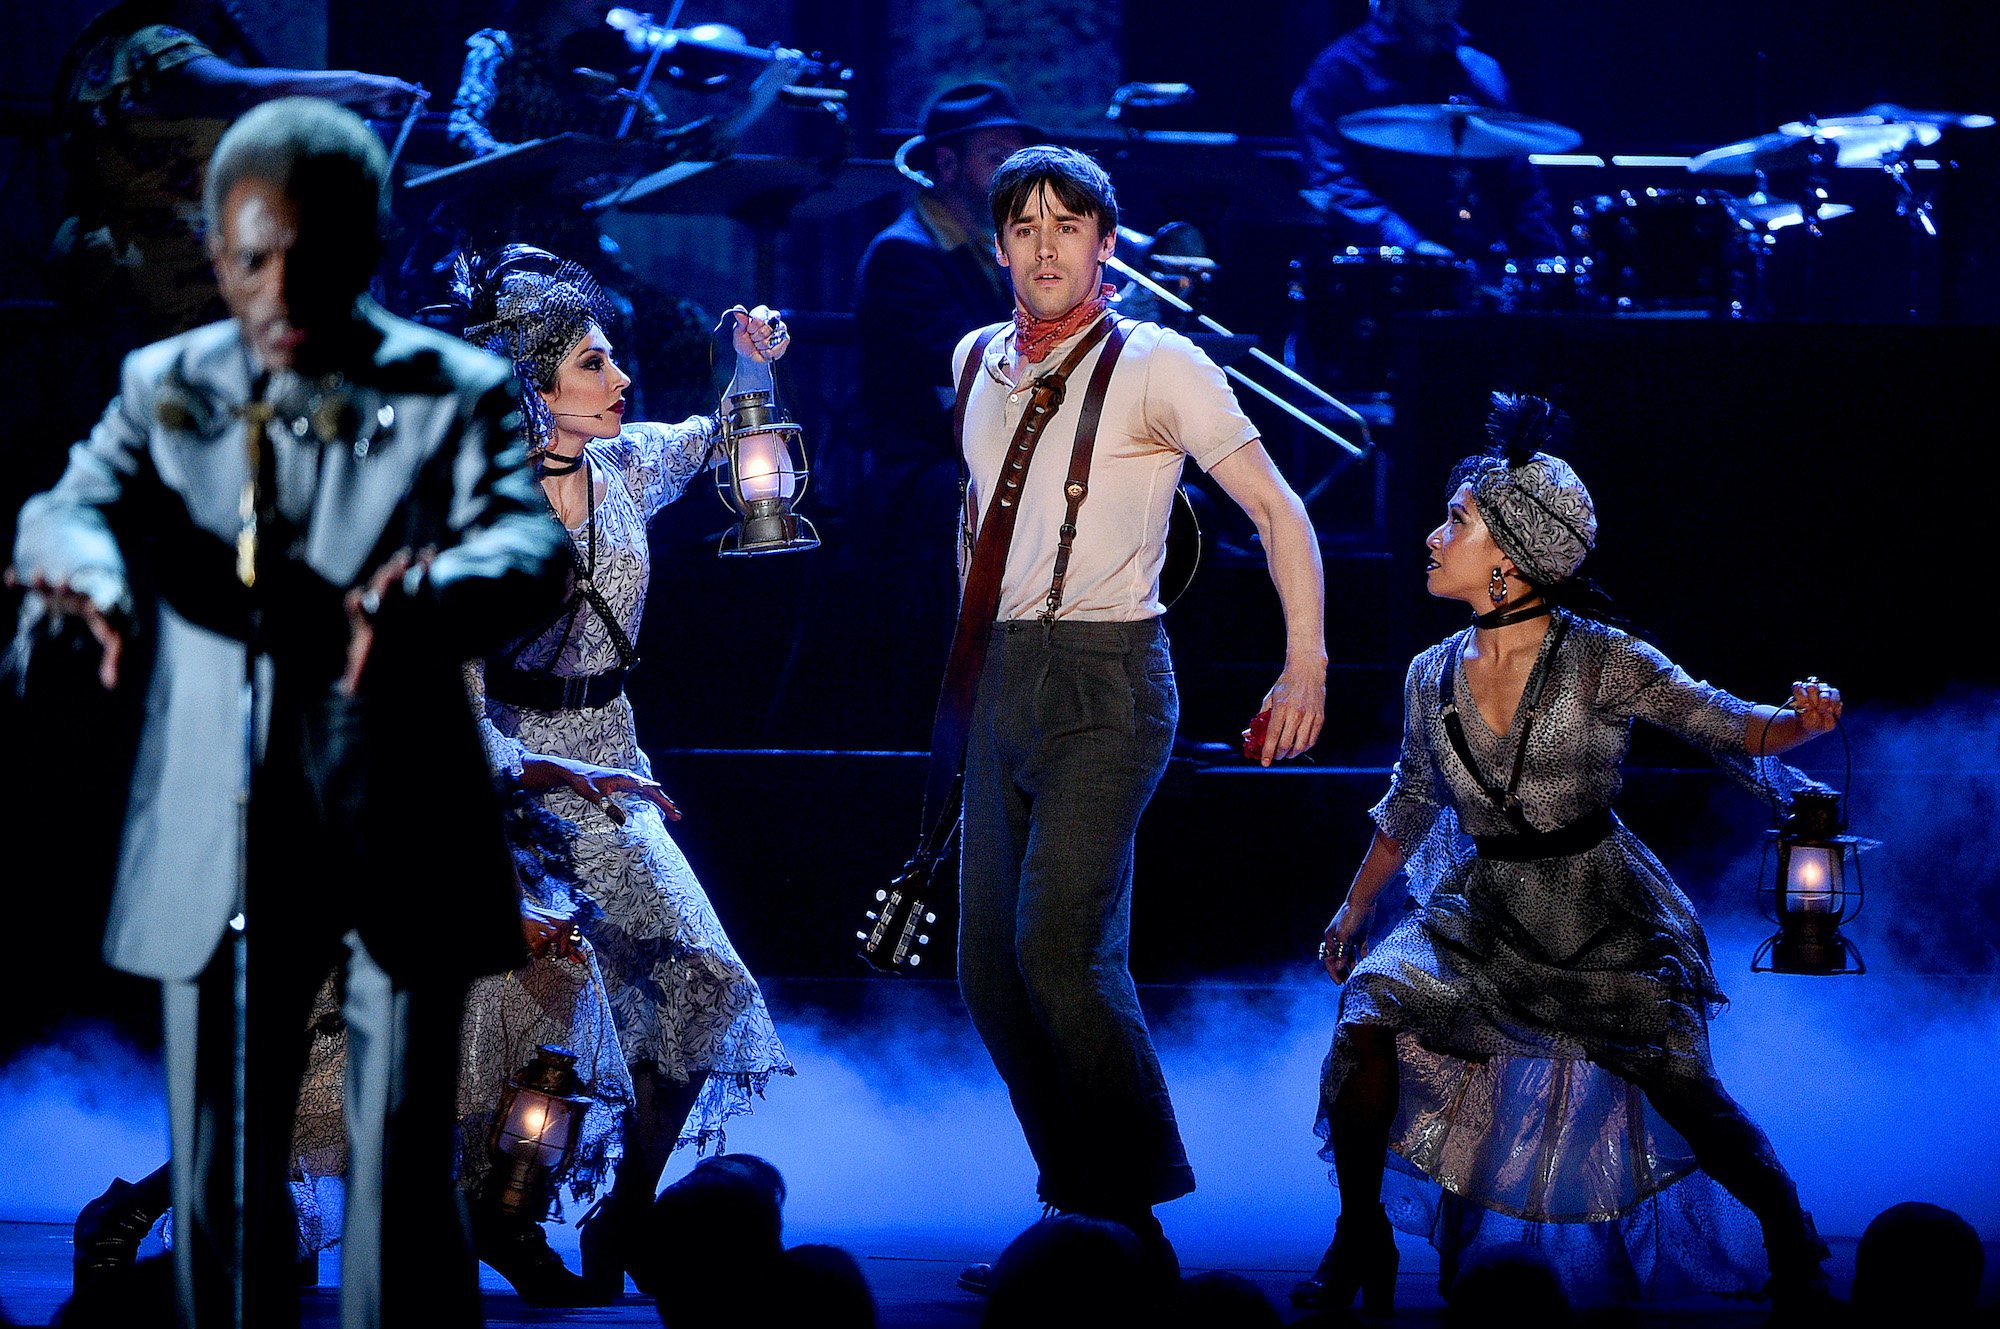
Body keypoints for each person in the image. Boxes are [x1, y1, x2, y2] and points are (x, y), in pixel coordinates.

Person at [11, 96, 568, 1329]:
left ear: (362, 246)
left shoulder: (452, 385)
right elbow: (71, 503)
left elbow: (529, 549)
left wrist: (422, 589)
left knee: (404, 1161)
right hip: (223, 814)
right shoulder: (168, 382)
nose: (268, 280)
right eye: (244, 249)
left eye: (300, 247)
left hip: (403, 811)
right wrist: (85, 568)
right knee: (221, 1148)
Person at [1303, 393, 1842, 1317]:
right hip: (1478, 908)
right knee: (1367, 1015)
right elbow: (1411, 800)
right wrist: (1354, 909)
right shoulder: (1429, 673)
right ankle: (1361, 1237)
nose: (1434, 537)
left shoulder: (1600, 657)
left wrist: (1800, 720)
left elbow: (1722, 717)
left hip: (1597, 912)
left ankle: (1790, 1235)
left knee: (1681, 1088)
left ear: (1509, 556)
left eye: (1456, 522)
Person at [950, 145, 1327, 1286]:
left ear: (1106, 244)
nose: (1046, 246)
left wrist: (1300, 664)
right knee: (985, 971)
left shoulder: (1159, 362)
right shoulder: (972, 357)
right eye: (1024, 227)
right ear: (999, 244)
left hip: (1109, 683)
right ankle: (1078, 1205)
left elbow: (1277, 509)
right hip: (995, 682)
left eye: (1069, 225)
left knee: (1059, 952)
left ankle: (1137, 1219)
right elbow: (976, 532)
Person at [451, 242, 795, 1299]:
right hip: (502, 785)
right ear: (533, 385)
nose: (620, 381)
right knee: (558, 1004)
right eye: (595, 365)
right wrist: (547, 777)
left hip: (616, 761)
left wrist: (748, 363)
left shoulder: (623, 467)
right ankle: (506, 1216)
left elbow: (721, 442)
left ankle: (625, 1214)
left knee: (702, 976)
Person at [51, 0, 420, 351]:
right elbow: (241, 90)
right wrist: (363, 86)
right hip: (161, 259)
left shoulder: (100, 42)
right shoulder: (149, 46)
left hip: (118, 254)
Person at [854, 81, 1035, 492]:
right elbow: (970, 364)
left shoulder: (988, 247)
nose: (1018, 178)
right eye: (998, 159)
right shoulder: (903, 254)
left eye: (1019, 160)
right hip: (928, 471)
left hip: (989, 454)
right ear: (947, 164)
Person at [1291, 0, 1561, 259]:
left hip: (1479, 272)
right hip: (1379, 274)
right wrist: (1413, 246)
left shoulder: (1481, 72)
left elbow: (1522, 191)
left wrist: (1549, 266)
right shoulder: (1337, 73)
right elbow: (1333, 184)